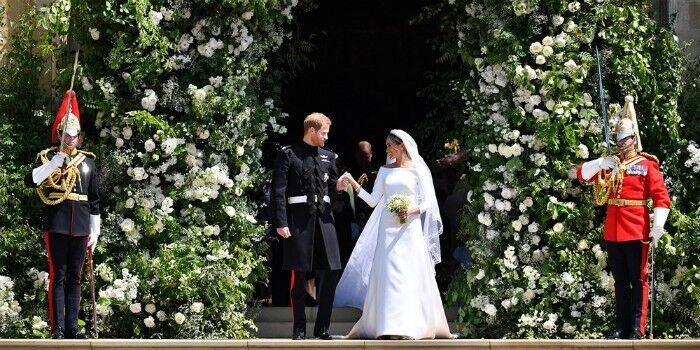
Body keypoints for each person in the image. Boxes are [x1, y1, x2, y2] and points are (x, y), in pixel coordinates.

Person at [334, 129, 451, 340]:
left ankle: (410, 325)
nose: (387, 149)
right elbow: (372, 200)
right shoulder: (384, 170)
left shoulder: (417, 170)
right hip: (387, 228)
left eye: (390, 145)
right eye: (386, 145)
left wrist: (411, 210)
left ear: (402, 146)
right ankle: (387, 326)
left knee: (409, 273)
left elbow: (429, 202)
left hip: (410, 227)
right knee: (388, 274)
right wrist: (353, 182)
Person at [576, 96, 670, 340]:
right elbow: (582, 175)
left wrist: (657, 226)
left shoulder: (648, 165)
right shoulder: (611, 162)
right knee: (619, 282)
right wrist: (600, 162)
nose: (621, 143)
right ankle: (621, 328)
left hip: (636, 230)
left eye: (625, 139)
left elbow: (661, 197)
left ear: (634, 139)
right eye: (618, 139)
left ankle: (636, 329)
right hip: (613, 231)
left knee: (638, 280)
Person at [24, 90, 101, 339]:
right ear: (60, 134)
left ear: (79, 137)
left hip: (80, 225)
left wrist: (95, 230)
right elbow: (31, 181)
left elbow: (94, 200)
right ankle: (57, 328)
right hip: (56, 221)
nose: (70, 138)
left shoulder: (88, 163)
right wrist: (52, 165)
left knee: (76, 277)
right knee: (59, 275)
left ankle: (73, 328)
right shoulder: (47, 157)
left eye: (74, 135)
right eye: (66, 134)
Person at [271, 112, 345, 340]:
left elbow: (331, 187)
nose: (326, 137)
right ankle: (299, 328)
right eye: (323, 133)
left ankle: (322, 327)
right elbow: (279, 191)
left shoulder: (329, 156)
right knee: (299, 273)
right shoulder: (288, 154)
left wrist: (339, 185)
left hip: (325, 220)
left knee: (332, 271)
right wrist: (281, 222)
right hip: (299, 221)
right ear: (312, 130)